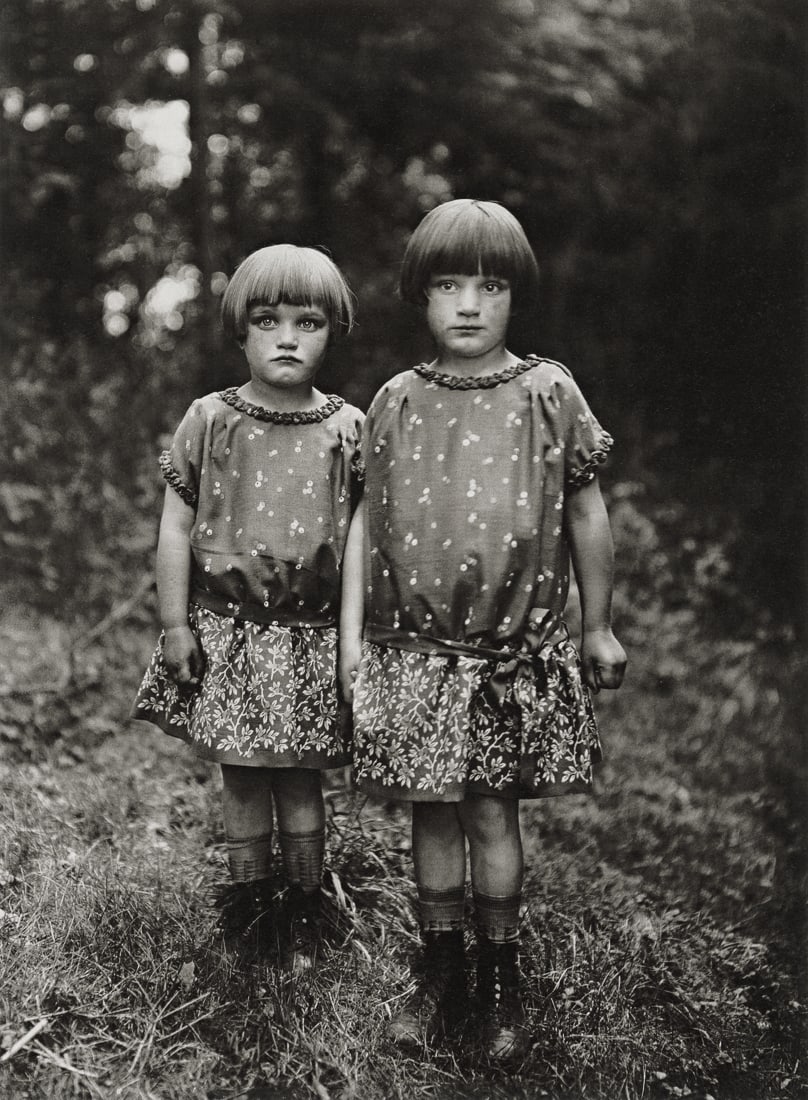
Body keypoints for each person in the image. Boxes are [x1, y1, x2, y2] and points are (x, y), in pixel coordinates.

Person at [339, 200, 626, 1059]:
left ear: (515, 295)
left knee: (492, 812)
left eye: (489, 285)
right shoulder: (393, 401)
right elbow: (362, 522)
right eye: (448, 285)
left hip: (506, 651)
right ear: (418, 297)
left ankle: (500, 982)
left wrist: (597, 627)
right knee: (430, 812)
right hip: (415, 652)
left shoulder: (548, 390)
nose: (468, 304)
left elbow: (587, 512)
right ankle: (440, 973)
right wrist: (353, 639)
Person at [132, 244, 363, 969]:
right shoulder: (209, 419)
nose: (288, 337)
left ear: (333, 331)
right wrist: (175, 624)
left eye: (308, 321)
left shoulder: (349, 428)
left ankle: (302, 908)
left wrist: (359, 642)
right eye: (268, 320)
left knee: (299, 776)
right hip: (227, 632)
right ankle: (248, 912)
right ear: (241, 330)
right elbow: (173, 527)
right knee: (240, 772)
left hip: (310, 636)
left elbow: (363, 542)